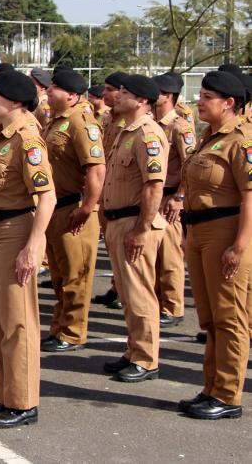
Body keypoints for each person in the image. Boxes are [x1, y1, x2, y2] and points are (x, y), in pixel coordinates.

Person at [0, 70, 56, 428]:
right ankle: (5, 396)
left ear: (16, 101)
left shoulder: (27, 140)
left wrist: (33, 247)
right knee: (0, 319)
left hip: (16, 231)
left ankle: (23, 403)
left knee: (18, 321)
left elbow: (47, 197)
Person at [178, 70, 251, 420]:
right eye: (201, 95)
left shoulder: (242, 141)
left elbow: (250, 197)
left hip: (225, 232)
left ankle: (227, 395)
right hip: (199, 231)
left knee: (229, 317)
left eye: (208, 97)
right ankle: (211, 387)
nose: (200, 101)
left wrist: (240, 245)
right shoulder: (209, 137)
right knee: (209, 317)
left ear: (229, 103)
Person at [101, 74, 169, 383]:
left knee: (140, 293)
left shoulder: (148, 134)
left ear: (142, 100)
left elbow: (154, 186)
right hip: (119, 220)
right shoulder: (126, 131)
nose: (118, 96)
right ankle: (133, 351)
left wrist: (142, 229)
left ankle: (146, 358)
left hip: (135, 221)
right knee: (128, 293)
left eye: (125, 92)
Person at [40, 70, 105, 352]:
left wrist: (87, 207)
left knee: (76, 275)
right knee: (59, 274)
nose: (49, 91)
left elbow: (96, 169)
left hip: (73, 208)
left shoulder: (82, 123)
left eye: (55, 87)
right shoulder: (56, 121)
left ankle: (73, 332)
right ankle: (59, 327)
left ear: (72, 95)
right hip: (55, 207)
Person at [153, 72, 195, 328]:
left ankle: (172, 307)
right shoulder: (153, 123)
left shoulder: (180, 127)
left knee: (170, 256)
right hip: (155, 197)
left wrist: (180, 197)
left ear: (167, 96)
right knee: (155, 257)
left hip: (170, 197)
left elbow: (190, 166)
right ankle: (159, 303)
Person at [94, 71, 130, 311]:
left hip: (125, 197)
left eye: (110, 89)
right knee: (112, 247)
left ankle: (124, 291)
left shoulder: (133, 123)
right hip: (107, 193)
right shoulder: (108, 119)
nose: (105, 93)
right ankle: (116, 287)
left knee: (126, 253)